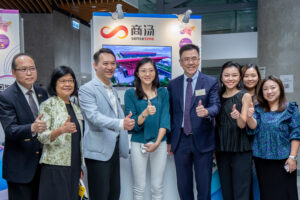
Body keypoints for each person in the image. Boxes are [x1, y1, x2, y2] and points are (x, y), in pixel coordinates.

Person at [167, 44, 220, 200]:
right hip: (180, 140)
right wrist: (170, 140)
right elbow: (171, 114)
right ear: (180, 62)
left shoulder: (210, 82)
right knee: (183, 186)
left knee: (204, 187)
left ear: (199, 60)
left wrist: (207, 112)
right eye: (186, 59)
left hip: (203, 140)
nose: (191, 62)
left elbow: (216, 105)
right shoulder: (172, 85)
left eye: (194, 59)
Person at [78, 48, 133, 200]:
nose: (110, 67)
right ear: (95, 65)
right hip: (97, 152)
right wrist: (121, 123)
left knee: (114, 193)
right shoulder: (86, 89)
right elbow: (94, 117)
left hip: (113, 149)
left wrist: (124, 120)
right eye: (105, 63)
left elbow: (113, 114)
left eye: (113, 63)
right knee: (100, 195)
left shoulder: (112, 89)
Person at [0, 53, 48, 200]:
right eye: (24, 69)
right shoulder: (6, 96)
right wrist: (32, 128)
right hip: (20, 167)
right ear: (14, 73)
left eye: (32, 68)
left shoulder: (42, 92)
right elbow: (10, 130)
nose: (29, 73)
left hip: (43, 165)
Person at [247, 75, 300, 200]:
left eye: (273, 88)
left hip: (284, 160)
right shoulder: (258, 109)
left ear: (280, 89)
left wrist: (293, 157)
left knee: (285, 193)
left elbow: (296, 133)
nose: (269, 91)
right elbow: (253, 128)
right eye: (265, 89)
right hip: (262, 160)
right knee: (267, 194)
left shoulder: (290, 109)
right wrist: (249, 116)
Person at [124, 58, 170, 200]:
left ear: (155, 73)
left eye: (151, 70)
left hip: (160, 143)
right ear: (137, 73)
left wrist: (157, 143)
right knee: (139, 187)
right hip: (138, 143)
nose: (147, 74)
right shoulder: (130, 94)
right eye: (143, 71)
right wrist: (145, 112)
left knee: (157, 187)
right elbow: (133, 123)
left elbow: (165, 119)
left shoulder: (163, 92)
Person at [37, 66, 83, 200]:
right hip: (55, 166)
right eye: (63, 81)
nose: (67, 84)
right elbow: (42, 137)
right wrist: (61, 130)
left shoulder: (75, 107)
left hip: (74, 165)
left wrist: (79, 165)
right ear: (54, 83)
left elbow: (77, 138)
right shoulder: (48, 105)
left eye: (71, 80)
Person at [215, 61, 253, 200]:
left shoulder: (245, 96)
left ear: (239, 78)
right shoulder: (217, 96)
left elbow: (242, 125)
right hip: (222, 150)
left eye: (234, 75)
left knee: (241, 191)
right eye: (227, 75)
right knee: (227, 191)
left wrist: (238, 117)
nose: (230, 78)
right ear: (221, 77)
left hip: (241, 150)